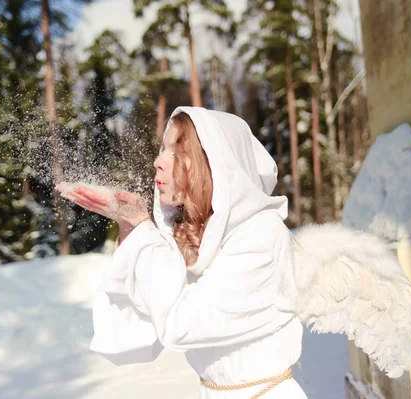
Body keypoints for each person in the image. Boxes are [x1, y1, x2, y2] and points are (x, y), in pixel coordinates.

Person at [58, 107, 309, 398]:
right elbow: (138, 326)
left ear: (215, 162)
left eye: (177, 151)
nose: (158, 162)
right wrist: (130, 227)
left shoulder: (260, 234)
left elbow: (182, 324)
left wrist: (142, 225)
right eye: (162, 149)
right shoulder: (197, 234)